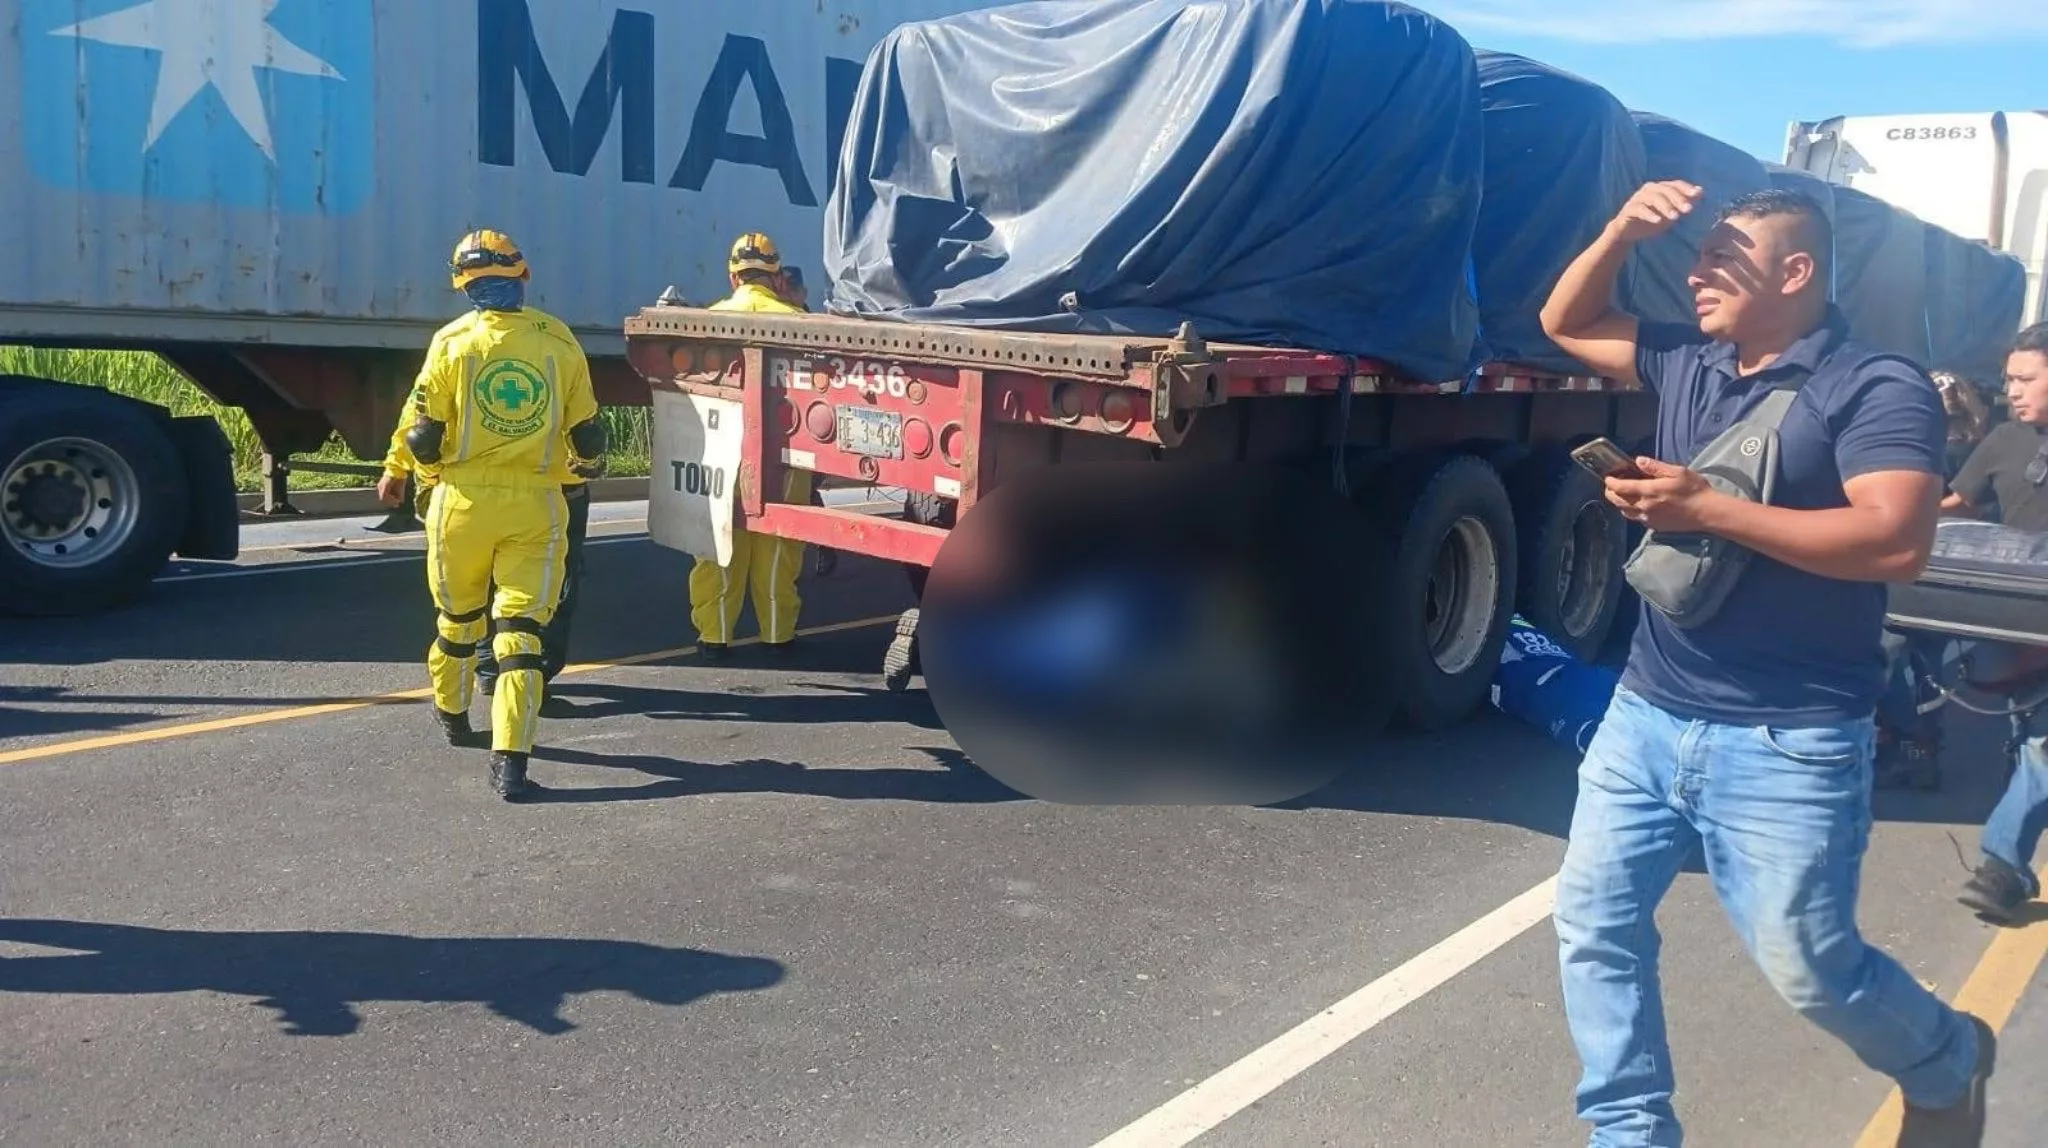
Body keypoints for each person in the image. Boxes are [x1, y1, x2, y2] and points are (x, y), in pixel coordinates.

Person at [1538, 182, 1994, 1145]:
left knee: (1809, 967)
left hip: (1790, 735)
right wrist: (1619, 229)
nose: (1696, 273)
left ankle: (1946, 1055)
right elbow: (1565, 321)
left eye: (1722, 257)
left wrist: (1705, 509)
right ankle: (1628, 1131)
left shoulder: (1874, 385)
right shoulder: (1687, 358)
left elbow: (1894, 542)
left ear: (1795, 272)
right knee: (1594, 924)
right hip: (1646, 712)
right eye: (1696, 254)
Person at [382, 229, 604, 800]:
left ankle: (454, 716)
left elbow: (424, 432)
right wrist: (583, 469)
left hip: (462, 504)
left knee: (458, 623)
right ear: (523, 275)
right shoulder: (558, 339)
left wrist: (420, 474)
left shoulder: (451, 342)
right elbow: (588, 434)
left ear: (463, 287)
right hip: (537, 503)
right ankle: (511, 764)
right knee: (521, 636)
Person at [1940, 323, 2048, 922]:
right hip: (2018, 627)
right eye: (2009, 379)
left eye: (2025, 379)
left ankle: (2002, 867)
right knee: (2027, 741)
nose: (2011, 391)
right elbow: (1957, 505)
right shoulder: (2006, 439)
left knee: (2042, 748)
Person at [689, 233, 813, 660]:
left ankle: (714, 635)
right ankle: (778, 634)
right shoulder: (800, 324)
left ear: (732, 277)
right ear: (776, 277)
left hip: (719, 446)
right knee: (779, 543)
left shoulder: (705, 322)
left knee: (718, 540)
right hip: (787, 451)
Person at [1872, 369, 1998, 790]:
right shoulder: (1976, 448)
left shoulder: (1920, 449)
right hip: (1950, 573)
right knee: (1929, 666)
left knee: (1883, 658)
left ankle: (1905, 741)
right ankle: (1925, 747)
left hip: (1909, 569)